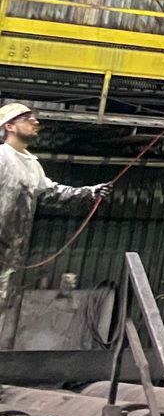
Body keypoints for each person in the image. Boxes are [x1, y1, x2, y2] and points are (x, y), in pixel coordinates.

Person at [0, 102, 110, 350]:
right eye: (27, 118)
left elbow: (51, 193)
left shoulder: (31, 165)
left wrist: (89, 193)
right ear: (9, 126)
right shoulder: (1, 158)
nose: (35, 121)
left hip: (9, 255)